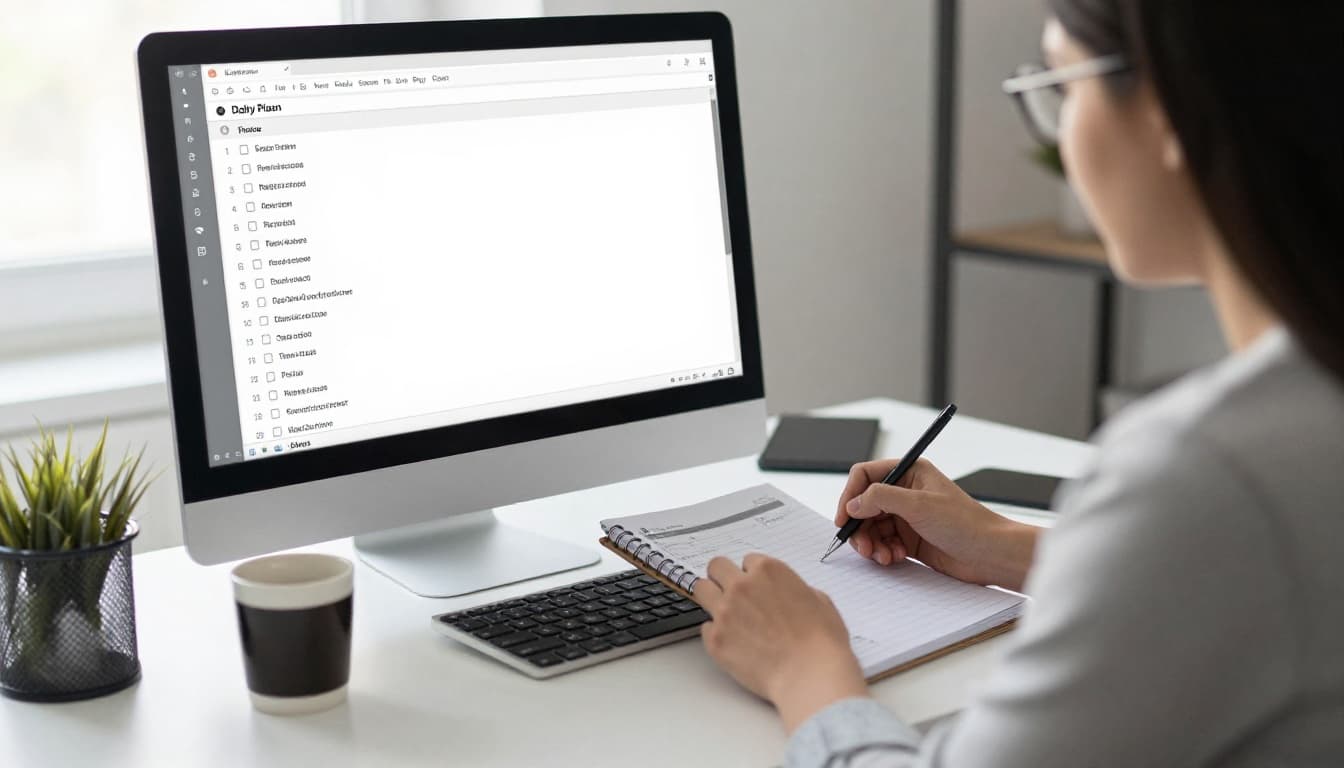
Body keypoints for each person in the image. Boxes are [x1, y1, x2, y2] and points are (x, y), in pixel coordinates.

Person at [691, 1, 1344, 765]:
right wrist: (1006, 546)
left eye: (1061, 87)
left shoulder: (1206, 473)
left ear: (1169, 105)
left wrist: (805, 667)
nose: (1062, 138)